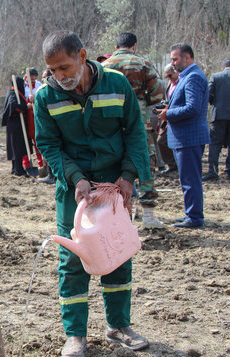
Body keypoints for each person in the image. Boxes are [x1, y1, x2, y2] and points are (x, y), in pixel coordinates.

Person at [34, 31, 151, 357]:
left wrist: (128, 177)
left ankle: (119, 326)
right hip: (75, 189)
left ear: (83, 56)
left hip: (114, 185)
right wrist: (75, 178)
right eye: (54, 70)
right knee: (73, 260)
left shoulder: (117, 84)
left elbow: (135, 133)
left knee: (117, 252)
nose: (61, 75)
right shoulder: (45, 98)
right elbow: (49, 146)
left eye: (66, 67)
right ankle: (75, 335)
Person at [102, 32, 165, 229]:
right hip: (139, 121)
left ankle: (114, 213)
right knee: (145, 161)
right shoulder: (143, 64)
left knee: (113, 163)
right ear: (134, 46)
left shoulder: (104, 67)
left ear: (115, 46)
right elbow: (157, 96)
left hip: (110, 122)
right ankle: (148, 215)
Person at [156, 43, 209, 229]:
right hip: (185, 137)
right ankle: (191, 214)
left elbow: (192, 108)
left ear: (187, 57)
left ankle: (195, 218)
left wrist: (168, 114)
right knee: (187, 178)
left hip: (189, 137)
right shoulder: (187, 77)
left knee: (190, 179)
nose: (172, 63)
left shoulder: (193, 77)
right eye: (171, 59)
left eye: (175, 59)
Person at [1, 76, 29, 177]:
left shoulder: (16, 93)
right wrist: (26, 107)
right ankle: (18, 169)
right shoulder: (13, 93)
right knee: (17, 147)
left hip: (16, 124)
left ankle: (15, 168)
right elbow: (13, 106)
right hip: (15, 125)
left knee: (16, 146)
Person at [156, 64, 178, 174]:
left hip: (177, 117)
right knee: (161, 141)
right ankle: (172, 165)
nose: (169, 78)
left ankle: (177, 165)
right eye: (167, 76)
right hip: (168, 118)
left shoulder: (182, 83)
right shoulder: (170, 84)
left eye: (170, 75)